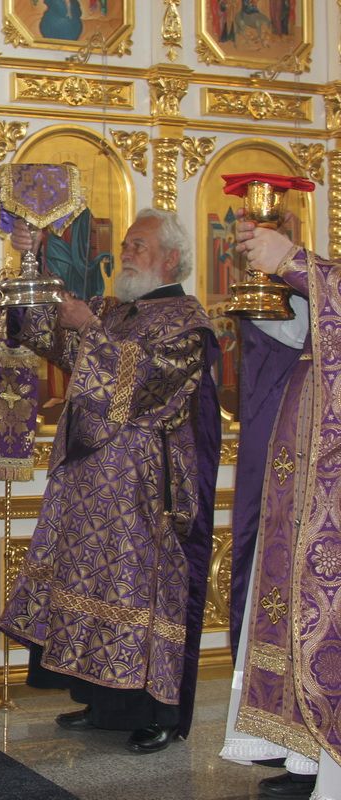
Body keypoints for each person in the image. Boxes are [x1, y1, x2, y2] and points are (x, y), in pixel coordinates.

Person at [0, 208, 221, 754]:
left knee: (139, 593)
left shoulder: (188, 322)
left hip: (142, 489)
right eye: (125, 243)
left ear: (171, 257)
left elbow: (147, 386)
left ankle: (156, 711)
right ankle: (101, 703)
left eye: (138, 244)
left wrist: (90, 330)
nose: (126, 251)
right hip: (88, 483)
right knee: (89, 588)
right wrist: (32, 260)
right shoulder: (114, 311)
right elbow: (48, 336)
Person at [218, 218, 341, 800]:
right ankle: (305, 751)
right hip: (306, 451)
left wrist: (295, 262)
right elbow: (309, 335)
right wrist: (271, 296)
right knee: (296, 592)